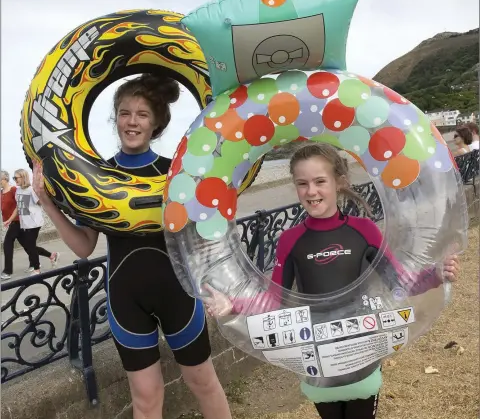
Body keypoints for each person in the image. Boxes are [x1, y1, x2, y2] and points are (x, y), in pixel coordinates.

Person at [204, 143, 461, 419]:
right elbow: (273, 300)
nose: (311, 191)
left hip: (362, 348)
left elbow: (399, 283)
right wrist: (232, 305)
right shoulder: (290, 240)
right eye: (302, 183)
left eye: (319, 181)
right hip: (317, 354)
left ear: (339, 183)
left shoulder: (364, 230)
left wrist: (435, 275)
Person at [32, 74, 232, 419]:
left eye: (141, 114)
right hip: (126, 302)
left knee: (203, 383)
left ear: (155, 123)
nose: (132, 121)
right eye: (125, 113)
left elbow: (203, 238)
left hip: (179, 294)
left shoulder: (175, 174)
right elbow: (83, 246)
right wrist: (48, 205)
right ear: (115, 120)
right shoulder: (97, 179)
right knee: (145, 397)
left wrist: (216, 286)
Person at [2, 169, 59, 277]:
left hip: (35, 223)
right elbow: (19, 208)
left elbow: (41, 202)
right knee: (29, 246)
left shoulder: (30, 190)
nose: (14, 180)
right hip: (25, 224)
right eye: (14, 178)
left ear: (23, 177)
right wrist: (9, 220)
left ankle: (37, 269)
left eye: (16, 178)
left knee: (30, 246)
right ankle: (52, 255)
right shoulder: (18, 191)